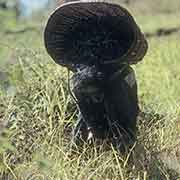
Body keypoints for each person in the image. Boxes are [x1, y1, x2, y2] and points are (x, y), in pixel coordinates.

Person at [44, 0, 148, 153]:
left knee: (121, 128)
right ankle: (93, 147)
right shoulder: (85, 81)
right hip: (92, 80)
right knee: (88, 115)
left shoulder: (123, 73)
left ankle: (118, 152)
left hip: (106, 80)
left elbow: (128, 119)